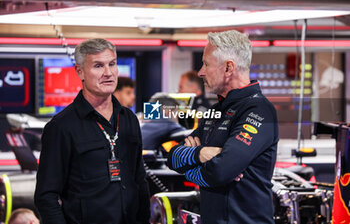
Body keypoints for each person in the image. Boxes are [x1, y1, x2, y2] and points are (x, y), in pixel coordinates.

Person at [167, 30, 278, 224]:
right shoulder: (216, 111)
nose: (200, 72)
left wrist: (191, 169)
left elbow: (220, 172)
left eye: (206, 64)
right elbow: (171, 156)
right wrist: (200, 154)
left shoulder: (260, 110)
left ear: (228, 68)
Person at [34, 38, 150, 224]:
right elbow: (46, 196)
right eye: (98, 66)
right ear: (80, 71)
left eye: (112, 64)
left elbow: (139, 180)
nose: (108, 73)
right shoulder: (61, 127)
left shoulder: (128, 119)